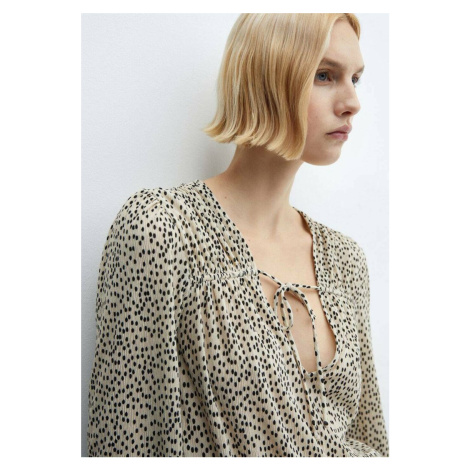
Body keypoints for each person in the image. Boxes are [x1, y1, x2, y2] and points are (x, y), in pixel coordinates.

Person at [87, 13, 389, 457]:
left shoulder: (346, 261)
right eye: (325, 75)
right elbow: (124, 437)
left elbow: (370, 436)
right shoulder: (162, 229)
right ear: (267, 77)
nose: (352, 102)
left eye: (355, 79)